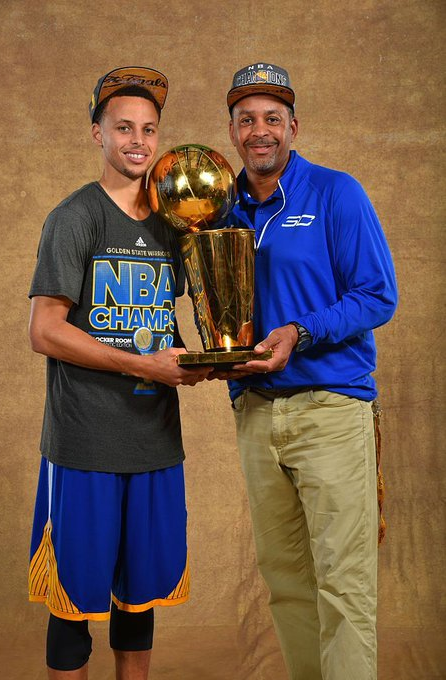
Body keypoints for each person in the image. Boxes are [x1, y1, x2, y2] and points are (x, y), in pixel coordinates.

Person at [27, 66, 211, 680]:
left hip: (154, 441)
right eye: (124, 127)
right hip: (86, 442)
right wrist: (142, 364)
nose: (138, 140)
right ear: (97, 134)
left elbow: (159, 324)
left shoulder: (173, 223)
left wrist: (194, 361)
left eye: (149, 129)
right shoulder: (74, 216)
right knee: (74, 605)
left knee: (139, 599)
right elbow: (45, 331)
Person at [220, 62, 398, 679]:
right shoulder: (221, 210)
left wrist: (300, 331)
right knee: (286, 582)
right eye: (247, 119)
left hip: (330, 409)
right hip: (256, 413)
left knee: (344, 585)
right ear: (233, 132)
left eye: (272, 118)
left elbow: (378, 295)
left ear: (293, 127)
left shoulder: (335, 192)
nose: (259, 131)